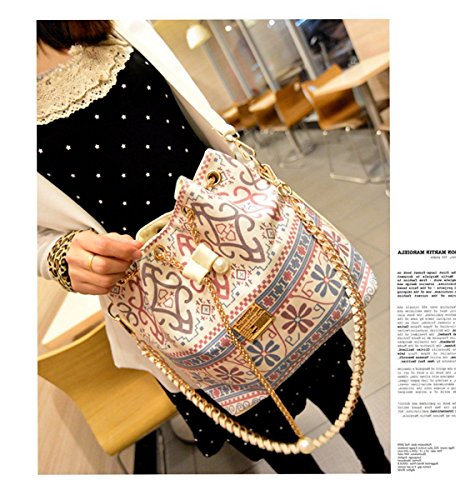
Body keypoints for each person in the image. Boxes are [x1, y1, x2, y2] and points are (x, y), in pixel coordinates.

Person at [37, 19, 390, 474]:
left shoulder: (109, 23)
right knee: (264, 428)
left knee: (334, 376)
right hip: (163, 303)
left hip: (251, 248)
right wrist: (54, 256)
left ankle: (380, 470)